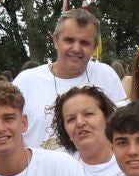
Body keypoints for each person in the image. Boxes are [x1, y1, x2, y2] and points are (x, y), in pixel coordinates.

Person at [13, 11, 128, 151]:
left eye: (85, 42)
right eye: (69, 40)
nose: (76, 48)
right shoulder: (26, 81)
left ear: (95, 46)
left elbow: (123, 129)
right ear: (55, 40)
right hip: (40, 172)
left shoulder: (106, 75)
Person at [52, 85, 122, 176]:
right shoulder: (59, 168)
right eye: (71, 119)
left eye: (88, 114)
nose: (80, 123)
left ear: (107, 119)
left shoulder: (129, 161)